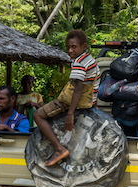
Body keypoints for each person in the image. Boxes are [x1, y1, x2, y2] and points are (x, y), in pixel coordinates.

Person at [32, 29, 98, 166]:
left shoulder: (79, 63)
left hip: (71, 102)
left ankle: (58, 149)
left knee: (38, 115)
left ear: (84, 46)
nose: (70, 50)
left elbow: (77, 89)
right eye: (68, 47)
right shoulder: (90, 60)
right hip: (88, 102)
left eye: (74, 47)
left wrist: (70, 114)